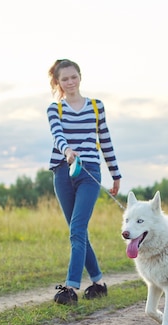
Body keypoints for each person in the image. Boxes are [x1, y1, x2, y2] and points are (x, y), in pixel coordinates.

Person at [47, 59, 122, 305]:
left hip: (89, 172)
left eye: (73, 77)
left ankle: (70, 287)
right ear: (58, 82)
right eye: (64, 79)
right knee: (76, 230)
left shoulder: (96, 106)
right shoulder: (54, 109)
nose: (70, 82)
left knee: (77, 229)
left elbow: (106, 139)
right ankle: (99, 283)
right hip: (62, 171)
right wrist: (67, 150)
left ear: (80, 77)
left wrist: (115, 173)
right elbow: (57, 135)